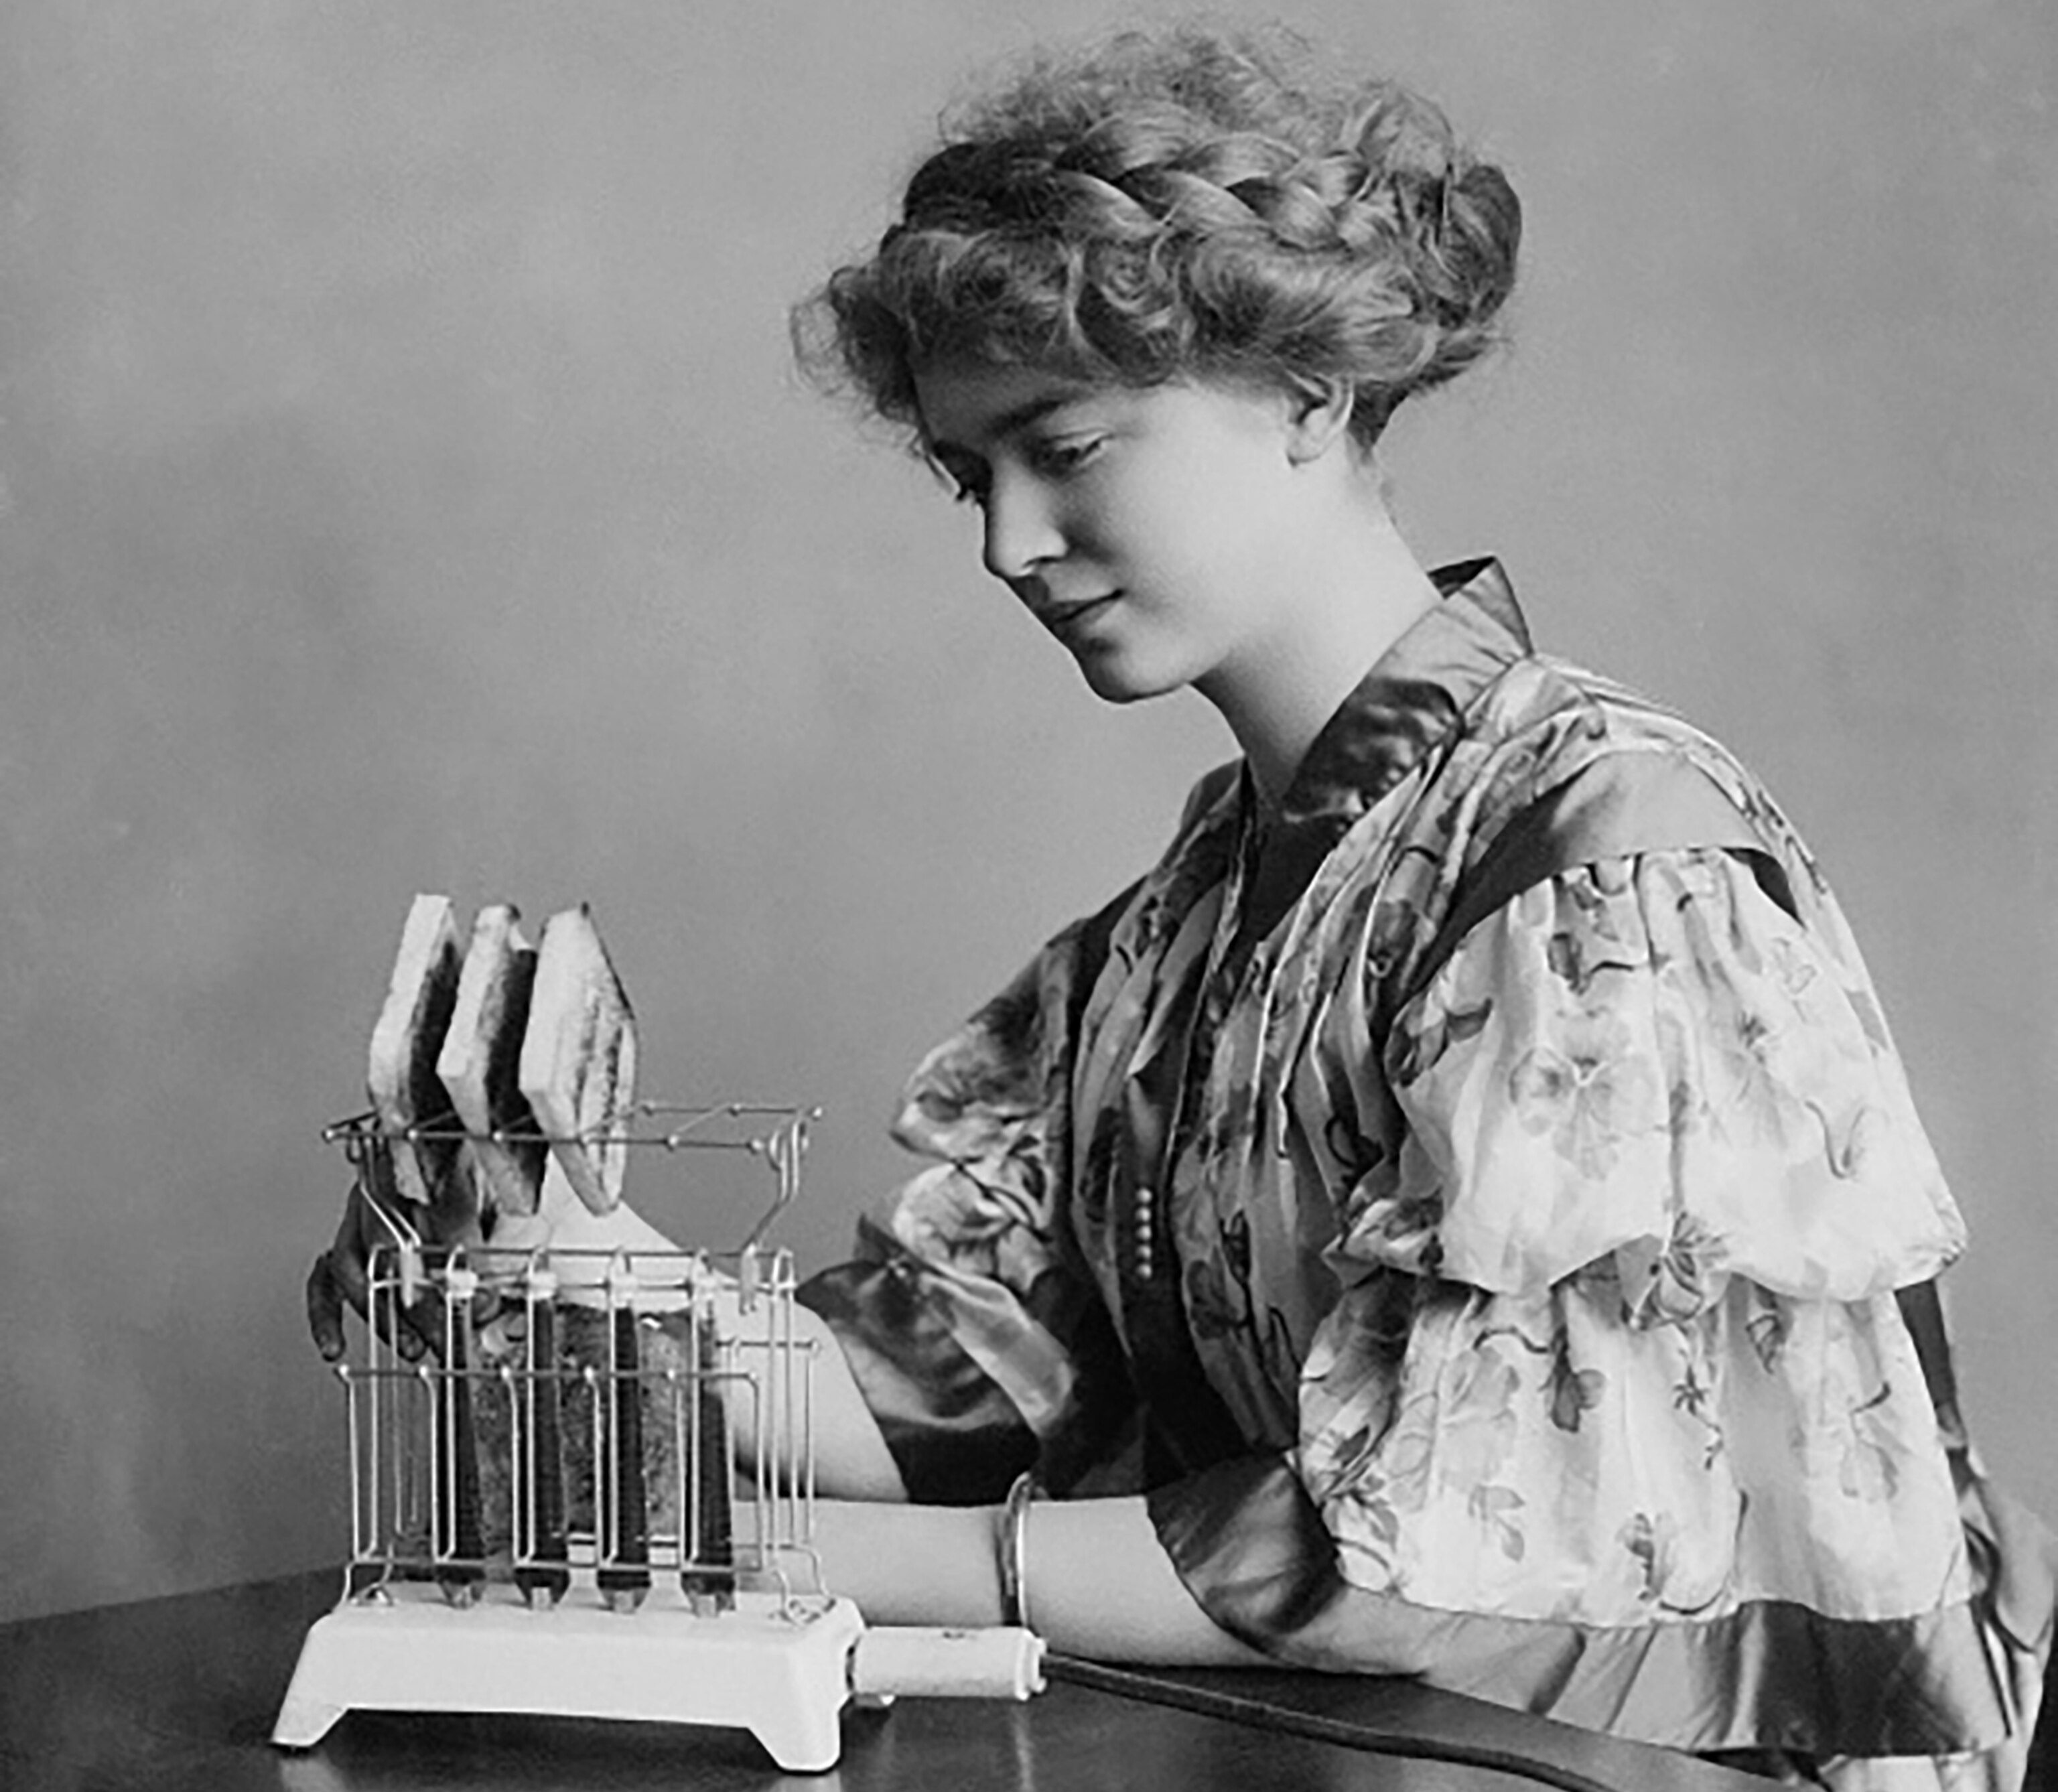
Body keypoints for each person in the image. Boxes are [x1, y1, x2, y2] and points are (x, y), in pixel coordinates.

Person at [308, 22, 2053, 1787]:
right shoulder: (1162, 946)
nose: (1007, 540)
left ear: (1311, 389)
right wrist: (572, 1256)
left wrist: (818, 1568)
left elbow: (1449, 1538)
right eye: (968, 472)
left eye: (1064, 444)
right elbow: (950, 1378)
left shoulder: (1604, 853)